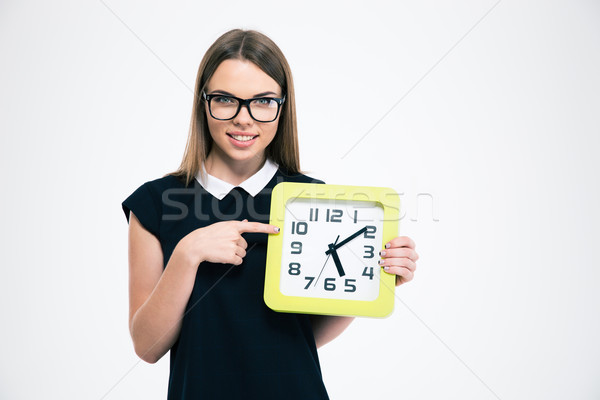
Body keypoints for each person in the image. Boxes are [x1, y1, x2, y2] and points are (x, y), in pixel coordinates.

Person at [122, 29, 419, 399]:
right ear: (203, 102)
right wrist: (187, 254)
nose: (244, 119)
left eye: (262, 101)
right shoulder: (155, 203)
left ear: (282, 105)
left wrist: (371, 280)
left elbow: (303, 337)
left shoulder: (312, 200)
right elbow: (148, 347)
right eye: (226, 99)